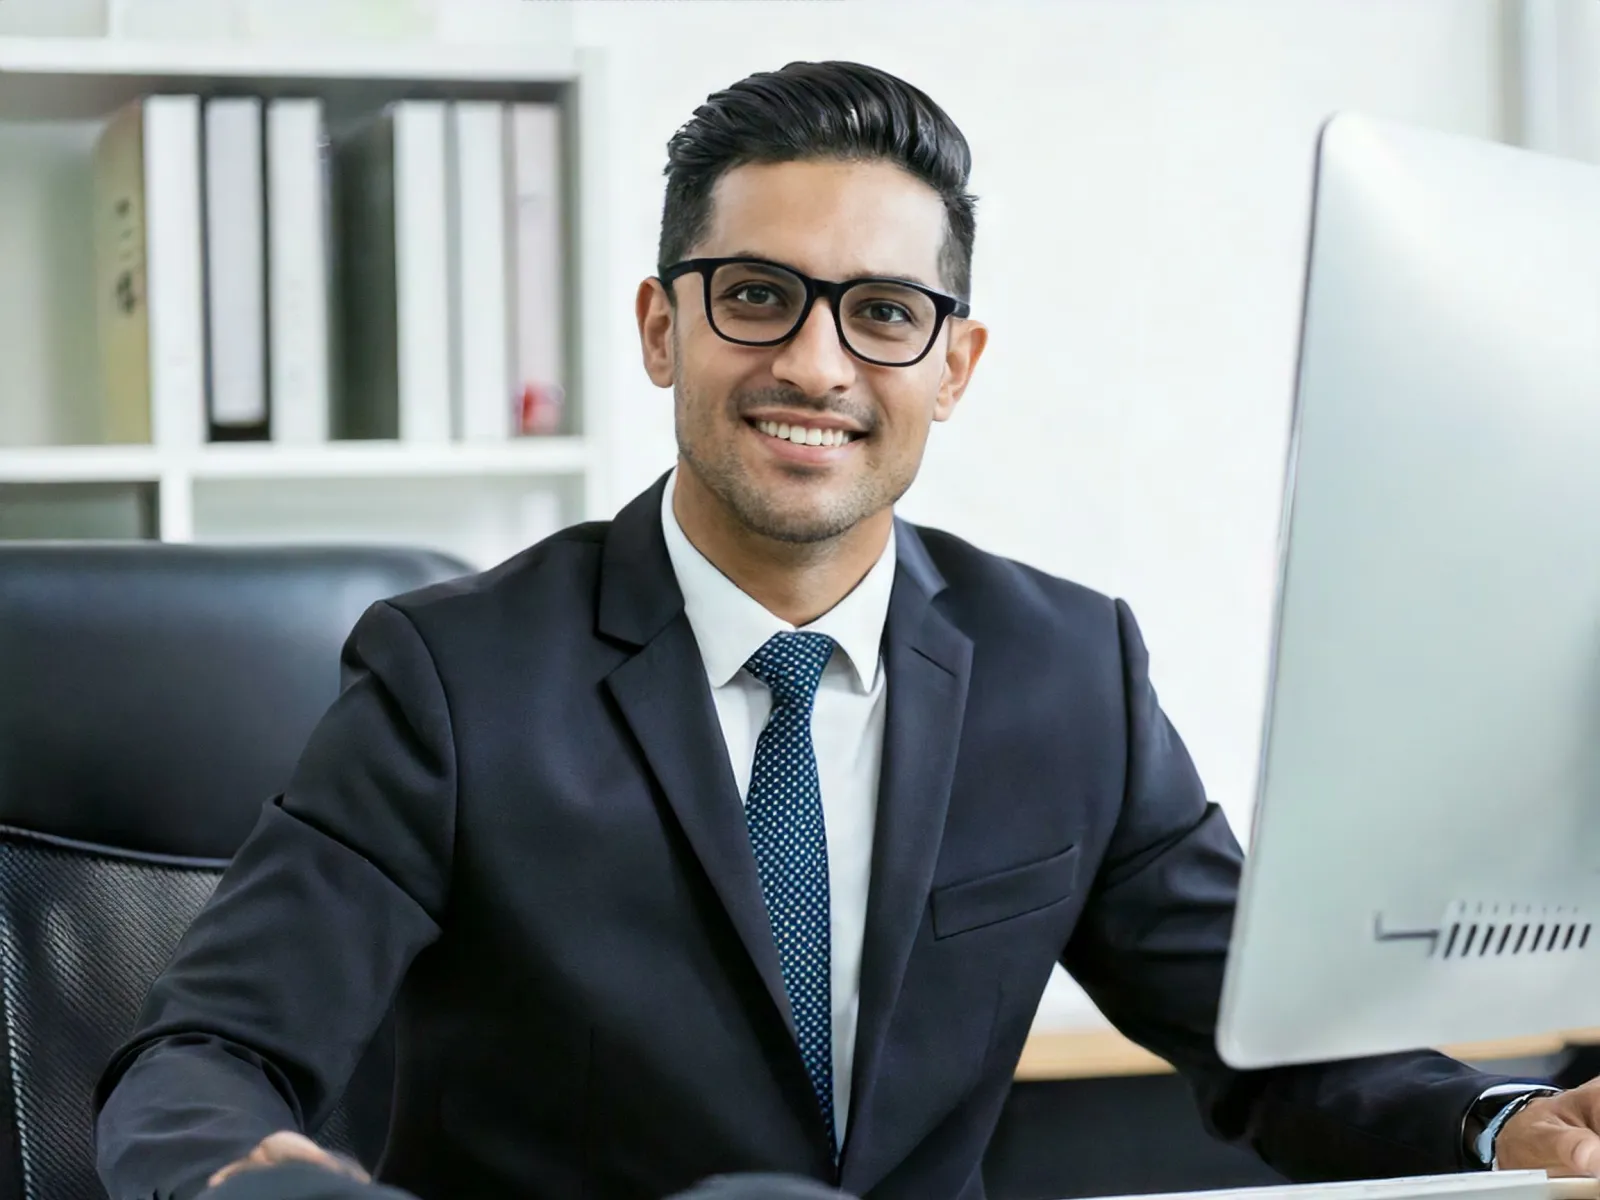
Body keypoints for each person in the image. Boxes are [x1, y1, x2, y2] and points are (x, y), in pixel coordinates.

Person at [95, 59, 1600, 1200]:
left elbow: (1267, 1040)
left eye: (883, 312)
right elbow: (205, 1059)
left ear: (954, 363)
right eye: (757, 296)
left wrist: (1502, 1122)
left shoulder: (1066, 673)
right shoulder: (452, 679)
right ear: (661, 326)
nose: (815, 361)